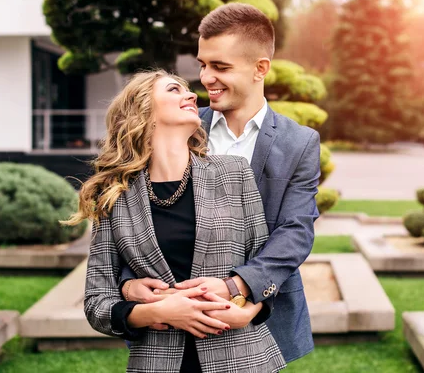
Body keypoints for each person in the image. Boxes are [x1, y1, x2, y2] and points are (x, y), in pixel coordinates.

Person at [120, 3, 321, 363]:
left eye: (220, 67)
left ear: (261, 68)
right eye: (202, 64)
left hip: (258, 323)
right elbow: (133, 219)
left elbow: (295, 231)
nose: (206, 77)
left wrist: (240, 290)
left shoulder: (300, 143)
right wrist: (128, 282)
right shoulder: (176, 126)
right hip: (167, 329)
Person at [64, 70, 286, 372]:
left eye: (187, 90)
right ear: (143, 110)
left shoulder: (235, 172)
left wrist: (249, 311)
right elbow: (97, 302)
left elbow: (263, 266)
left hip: (242, 356)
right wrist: (158, 311)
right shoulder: (114, 194)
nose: (193, 95)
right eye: (173, 89)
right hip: (157, 363)